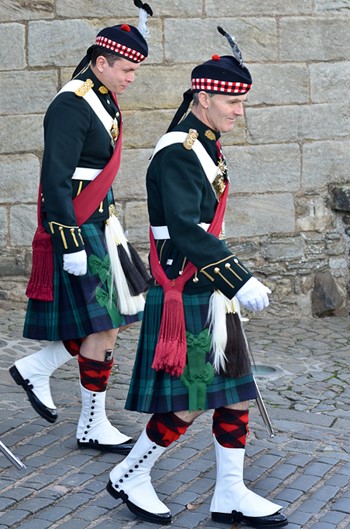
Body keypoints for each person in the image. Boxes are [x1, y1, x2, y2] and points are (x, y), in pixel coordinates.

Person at [105, 27, 288, 527]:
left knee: (233, 393)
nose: (239, 112)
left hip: (207, 285)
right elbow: (185, 229)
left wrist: (226, 282)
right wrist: (239, 278)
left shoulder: (203, 143)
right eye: (234, 102)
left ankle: (230, 491)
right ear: (204, 97)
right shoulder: (179, 152)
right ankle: (131, 473)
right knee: (190, 402)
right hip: (189, 283)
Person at [9, 1, 153, 454]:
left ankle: (41, 370)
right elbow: (55, 177)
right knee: (107, 321)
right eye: (125, 69)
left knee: (115, 317)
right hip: (78, 224)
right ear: (100, 61)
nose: (131, 78)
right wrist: (68, 239)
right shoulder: (72, 103)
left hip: (101, 222)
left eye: (135, 70)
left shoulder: (103, 98)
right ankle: (88, 419)